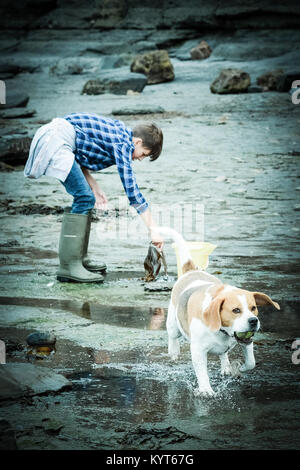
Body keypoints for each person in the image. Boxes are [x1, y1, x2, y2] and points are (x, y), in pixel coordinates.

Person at [24, 112, 164, 283]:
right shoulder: (123, 143)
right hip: (55, 140)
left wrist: (94, 186)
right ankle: (69, 266)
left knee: (87, 196)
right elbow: (132, 191)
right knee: (84, 198)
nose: (140, 159)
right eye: (143, 154)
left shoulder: (120, 135)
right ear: (137, 142)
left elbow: (80, 152)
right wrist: (153, 229)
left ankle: (79, 259)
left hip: (60, 140)